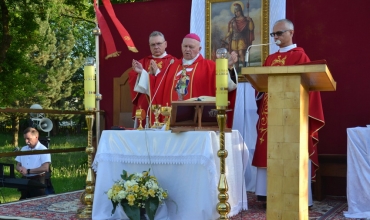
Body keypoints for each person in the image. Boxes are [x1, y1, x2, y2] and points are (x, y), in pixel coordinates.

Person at [251, 19, 325, 207]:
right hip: (271, 113)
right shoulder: (269, 58)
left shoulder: (301, 57)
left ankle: (297, 196)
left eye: (279, 33)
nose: (276, 37)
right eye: (273, 34)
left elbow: (309, 87)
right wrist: (259, 90)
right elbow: (261, 86)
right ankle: (267, 195)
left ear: (291, 32)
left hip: (292, 115)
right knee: (268, 148)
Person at [156, 33, 238, 128]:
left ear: (199, 49)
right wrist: (143, 74)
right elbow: (157, 86)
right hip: (172, 123)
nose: (187, 49)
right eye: (185, 46)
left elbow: (228, 86)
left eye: (191, 47)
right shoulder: (171, 67)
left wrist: (228, 68)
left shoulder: (210, 67)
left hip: (200, 124)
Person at [129, 31, 176, 127]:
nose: (156, 47)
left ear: (165, 44)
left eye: (159, 43)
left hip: (164, 104)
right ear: (149, 46)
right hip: (146, 105)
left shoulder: (173, 62)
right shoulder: (143, 62)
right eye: (153, 45)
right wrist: (141, 73)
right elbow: (132, 78)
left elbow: (172, 82)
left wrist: (157, 73)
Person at [15, 127, 51, 199]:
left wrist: (28, 171)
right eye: (25, 139)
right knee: (24, 201)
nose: (26, 141)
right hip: (25, 181)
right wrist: (20, 168)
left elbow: (45, 168)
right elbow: (17, 165)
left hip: (37, 181)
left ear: (36, 137)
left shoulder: (43, 149)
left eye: (29, 139)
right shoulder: (23, 149)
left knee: (37, 202)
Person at [224, 2, 255, 70]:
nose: (236, 13)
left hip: (242, 39)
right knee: (235, 55)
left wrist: (250, 21)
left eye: (237, 11)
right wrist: (225, 37)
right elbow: (231, 31)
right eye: (235, 12)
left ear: (240, 11)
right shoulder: (233, 21)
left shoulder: (246, 20)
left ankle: (245, 68)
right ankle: (237, 69)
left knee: (241, 53)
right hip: (234, 40)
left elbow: (251, 29)